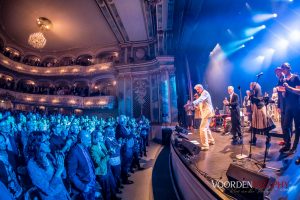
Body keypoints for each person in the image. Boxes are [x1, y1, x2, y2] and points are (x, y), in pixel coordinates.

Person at [26, 131, 70, 200]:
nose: (49, 143)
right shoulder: (32, 165)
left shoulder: (48, 155)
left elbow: (63, 176)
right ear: (37, 144)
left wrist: (61, 165)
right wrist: (58, 171)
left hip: (63, 194)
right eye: (45, 141)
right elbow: (48, 190)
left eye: (48, 140)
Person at [67, 130, 96, 200]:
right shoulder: (74, 152)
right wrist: (82, 187)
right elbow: (71, 175)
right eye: (88, 140)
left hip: (91, 182)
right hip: (84, 186)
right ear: (82, 140)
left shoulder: (85, 148)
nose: (90, 141)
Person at [279, 63, 300, 153]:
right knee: (285, 126)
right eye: (282, 69)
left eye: (284, 68)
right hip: (288, 106)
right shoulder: (283, 80)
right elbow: (284, 94)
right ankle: (287, 145)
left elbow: (299, 91)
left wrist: (289, 87)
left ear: (288, 68)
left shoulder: (296, 78)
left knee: (298, 127)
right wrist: (282, 92)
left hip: (297, 105)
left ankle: (294, 147)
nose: (283, 70)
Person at [192, 84, 215, 151]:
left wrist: (193, 103)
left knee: (202, 128)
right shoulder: (203, 94)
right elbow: (201, 104)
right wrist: (197, 107)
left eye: (198, 89)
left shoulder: (205, 93)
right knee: (206, 128)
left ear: (201, 88)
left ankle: (205, 146)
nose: (197, 91)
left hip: (207, 113)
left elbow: (200, 99)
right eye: (196, 90)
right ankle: (211, 140)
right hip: (207, 113)